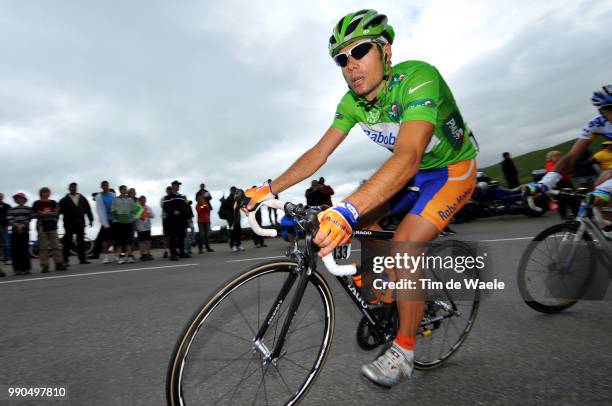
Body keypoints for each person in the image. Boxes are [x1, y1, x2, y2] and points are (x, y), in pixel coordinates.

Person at [244, 9, 478, 386]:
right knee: (365, 228)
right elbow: (319, 153)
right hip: (412, 175)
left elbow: (408, 155)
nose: (350, 65)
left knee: (404, 245)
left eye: (360, 51)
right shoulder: (351, 103)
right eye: (341, 59)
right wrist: (268, 189)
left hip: (451, 172)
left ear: (386, 51)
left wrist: (347, 210)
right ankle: (388, 292)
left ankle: (404, 350)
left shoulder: (417, 79)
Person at [532, 85, 612, 214]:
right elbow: (571, 157)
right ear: (602, 112)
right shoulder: (597, 124)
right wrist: (545, 182)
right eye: (609, 110)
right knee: (599, 193)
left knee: (605, 182)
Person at [59, 182, 93, 266]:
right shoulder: (64, 200)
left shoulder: (82, 198)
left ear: (76, 188)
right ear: (69, 188)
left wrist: (91, 219)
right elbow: (59, 212)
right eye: (72, 187)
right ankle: (65, 260)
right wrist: (55, 222)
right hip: (68, 223)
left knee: (81, 241)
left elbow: (88, 209)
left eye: (75, 187)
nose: (73, 189)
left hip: (80, 222)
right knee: (67, 242)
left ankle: (82, 259)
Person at [32, 187, 66, 272]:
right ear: (41, 194)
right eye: (44, 192)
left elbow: (56, 213)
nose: (46, 194)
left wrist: (45, 213)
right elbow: (32, 215)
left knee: (56, 246)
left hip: (52, 226)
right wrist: (42, 214)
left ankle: (59, 263)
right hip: (41, 226)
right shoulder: (37, 203)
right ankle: (45, 265)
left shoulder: (53, 202)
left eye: (47, 192)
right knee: (43, 247)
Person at [162, 180, 190, 260]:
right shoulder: (168, 197)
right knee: (173, 237)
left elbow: (186, 206)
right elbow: (165, 207)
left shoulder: (182, 197)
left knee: (182, 236)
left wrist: (188, 217)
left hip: (182, 219)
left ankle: (182, 252)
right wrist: (173, 211)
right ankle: (173, 254)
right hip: (173, 220)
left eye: (179, 185)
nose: (178, 187)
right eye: (176, 185)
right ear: (173, 186)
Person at [7, 193, 33, 275]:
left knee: (24, 250)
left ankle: (26, 268)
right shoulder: (11, 209)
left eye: (21, 198)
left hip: (25, 232)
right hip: (15, 232)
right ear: (16, 200)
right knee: (16, 251)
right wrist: (16, 225)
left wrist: (22, 225)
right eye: (18, 198)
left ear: (24, 200)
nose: (20, 200)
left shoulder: (28, 209)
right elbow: (9, 218)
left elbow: (29, 218)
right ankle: (17, 269)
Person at [111, 185, 138, 264]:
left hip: (128, 223)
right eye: (123, 189)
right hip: (119, 223)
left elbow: (136, 209)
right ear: (120, 190)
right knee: (120, 242)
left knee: (128, 241)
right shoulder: (115, 200)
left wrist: (133, 218)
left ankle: (129, 257)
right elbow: (113, 210)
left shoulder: (130, 199)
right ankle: (121, 257)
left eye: (126, 189)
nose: (125, 191)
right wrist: (118, 217)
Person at [95, 181, 116, 264]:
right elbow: (99, 209)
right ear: (101, 187)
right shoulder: (98, 197)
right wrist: (103, 220)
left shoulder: (113, 195)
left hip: (113, 219)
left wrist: (113, 210)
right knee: (104, 239)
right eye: (104, 185)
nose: (105, 187)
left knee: (113, 239)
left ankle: (114, 255)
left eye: (106, 185)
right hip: (105, 219)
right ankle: (106, 257)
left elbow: (115, 205)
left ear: (108, 186)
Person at [221, 187, 244, 252]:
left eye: (235, 191)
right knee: (233, 232)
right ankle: (233, 245)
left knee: (238, 230)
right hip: (231, 218)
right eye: (233, 191)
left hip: (237, 216)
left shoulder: (238, 198)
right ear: (231, 191)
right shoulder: (228, 199)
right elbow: (229, 206)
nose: (234, 192)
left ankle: (239, 244)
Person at [134, 195, 154, 260]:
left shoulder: (148, 207)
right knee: (141, 241)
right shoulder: (136, 207)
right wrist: (141, 215)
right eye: (142, 200)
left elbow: (152, 215)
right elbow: (133, 216)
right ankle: (142, 255)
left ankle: (148, 254)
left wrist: (146, 214)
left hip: (147, 227)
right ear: (139, 201)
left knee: (148, 241)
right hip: (140, 228)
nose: (143, 201)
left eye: (144, 200)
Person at [0, 193, 11, 266]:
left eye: (1, 196)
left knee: (6, 244)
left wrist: (9, 223)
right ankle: (1, 258)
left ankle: (7, 259)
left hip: (4, 227)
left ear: (2, 197)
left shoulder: (7, 206)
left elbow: (10, 215)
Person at [161, 186, 172, 258]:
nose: (169, 191)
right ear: (166, 191)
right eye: (168, 190)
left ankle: (172, 250)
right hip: (165, 218)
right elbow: (163, 206)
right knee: (166, 235)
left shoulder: (173, 197)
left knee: (172, 235)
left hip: (172, 218)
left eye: (170, 190)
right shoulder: (163, 198)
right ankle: (165, 251)